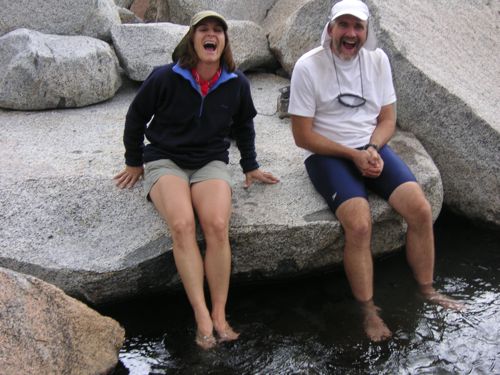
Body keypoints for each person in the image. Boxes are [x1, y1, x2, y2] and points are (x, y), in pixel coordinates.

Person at [288, 0, 461, 342]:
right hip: (327, 154)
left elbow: (387, 120)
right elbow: (302, 135)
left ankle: (427, 289)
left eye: (358, 27)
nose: (351, 34)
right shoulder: (309, 66)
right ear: (331, 28)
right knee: (360, 223)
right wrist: (351, 154)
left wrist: (371, 149)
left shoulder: (378, 60)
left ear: (366, 32)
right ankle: (368, 311)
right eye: (344, 25)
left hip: (370, 149)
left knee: (421, 209)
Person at [114, 10, 279, 349]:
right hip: (165, 159)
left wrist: (250, 166)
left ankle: (220, 314)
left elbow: (245, 126)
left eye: (218, 30)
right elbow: (136, 117)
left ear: (225, 42)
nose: (212, 35)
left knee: (217, 225)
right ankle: (201, 316)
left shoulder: (236, 84)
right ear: (192, 39)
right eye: (204, 29)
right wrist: (134, 162)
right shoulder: (164, 77)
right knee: (183, 224)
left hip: (209, 162)